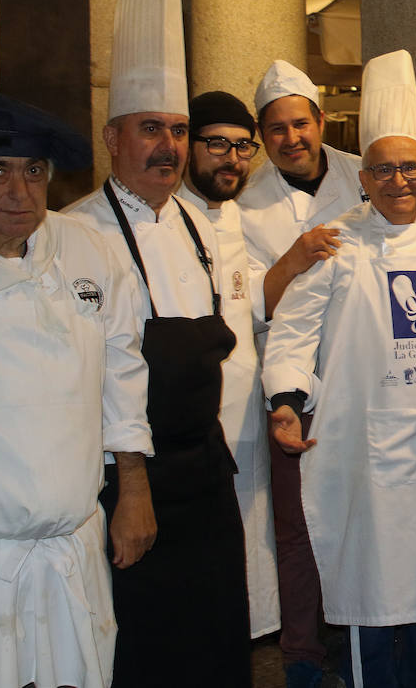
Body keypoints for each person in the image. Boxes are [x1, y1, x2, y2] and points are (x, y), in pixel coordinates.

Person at [263, 50, 416, 688]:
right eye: (382, 169)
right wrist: (284, 399)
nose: (398, 181)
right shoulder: (336, 241)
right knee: (369, 595)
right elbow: (293, 330)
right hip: (358, 448)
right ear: (364, 178)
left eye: (410, 167)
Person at [65, 0, 250, 686]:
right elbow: (103, 376)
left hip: (203, 471)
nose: (168, 147)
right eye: (151, 129)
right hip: (127, 480)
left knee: (215, 638)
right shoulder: (78, 234)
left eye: (177, 131)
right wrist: (132, 489)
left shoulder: (197, 226)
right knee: (145, 647)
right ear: (112, 137)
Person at [0, 88, 152, 688]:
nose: (19, 191)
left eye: (34, 172)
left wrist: (133, 487)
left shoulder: (88, 249)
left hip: (69, 553)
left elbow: (122, 371)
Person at [236, 59, 365, 687]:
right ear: (263, 138)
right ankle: (303, 656)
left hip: (360, 372)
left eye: (300, 123)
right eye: (276, 129)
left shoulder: (363, 175)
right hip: (290, 383)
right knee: (296, 527)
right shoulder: (245, 201)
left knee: (359, 513)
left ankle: (358, 636)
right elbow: (252, 306)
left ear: (321, 121)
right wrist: (296, 256)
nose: (291, 139)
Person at [179, 90, 280, 640]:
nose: (232, 158)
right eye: (217, 143)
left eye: (244, 146)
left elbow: (257, 306)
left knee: (252, 546)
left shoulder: (241, 218)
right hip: (191, 426)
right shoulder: (166, 220)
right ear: (188, 146)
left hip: (245, 411)